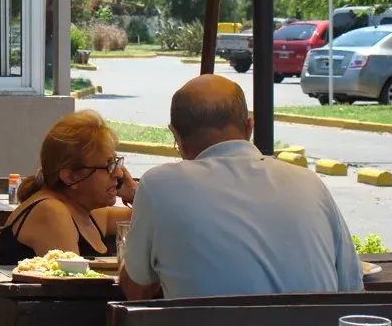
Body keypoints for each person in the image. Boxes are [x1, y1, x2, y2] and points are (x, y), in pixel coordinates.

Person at [119, 74, 363, 300]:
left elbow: (136, 290)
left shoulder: (158, 186)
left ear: (176, 135)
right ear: (249, 126)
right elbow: (351, 287)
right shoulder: (309, 183)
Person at [0, 109, 137, 265]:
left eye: (116, 163)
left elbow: (154, 219)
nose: (119, 173)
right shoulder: (51, 212)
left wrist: (134, 192)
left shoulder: (89, 212)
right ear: (70, 177)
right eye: (108, 166)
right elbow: (73, 284)